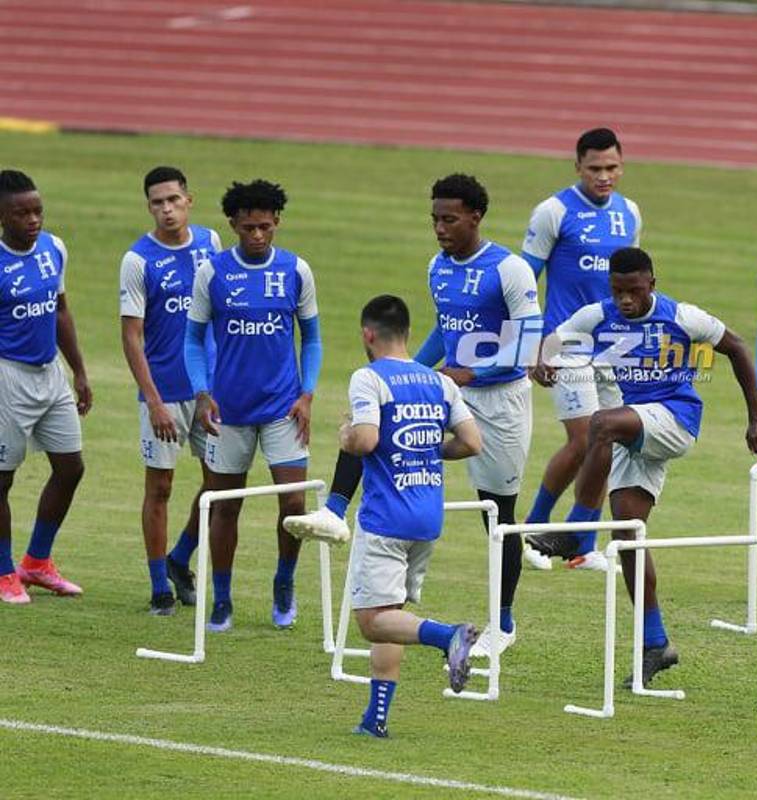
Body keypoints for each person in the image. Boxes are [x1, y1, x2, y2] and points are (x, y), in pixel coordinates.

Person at [285, 174, 540, 661]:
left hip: (502, 401)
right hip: (451, 388)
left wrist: (470, 372)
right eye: (435, 219)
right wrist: (397, 378)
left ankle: (503, 624)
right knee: (373, 426)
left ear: (475, 217)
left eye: (450, 219)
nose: (440, 228)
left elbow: (526, 348)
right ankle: (335, 513)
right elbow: (446, 331)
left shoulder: (510, 270)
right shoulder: (437, 268)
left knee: (499, 515)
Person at [550, 246, 757, 685]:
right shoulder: (598, 315)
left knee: (601, 424)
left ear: (652, 282)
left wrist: (754, 417)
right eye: (618, 292)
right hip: (638, 430)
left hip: (675, 420)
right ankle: (656, 643)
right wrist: (543, 358)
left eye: (633, 290)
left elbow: (737, 347)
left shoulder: (683, 317)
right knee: (629, 535)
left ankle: (577, 531)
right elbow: (554, 340)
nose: (625, 300)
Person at [298, 294, 481, 738]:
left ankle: (449, 635)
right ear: (407, 334)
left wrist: (345, 434)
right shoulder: (439, 383)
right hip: (427, 517)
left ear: (368, 334)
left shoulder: (369, 378)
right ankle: (374, 720)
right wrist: (425, 448)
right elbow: (473, 442)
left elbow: (363, 441)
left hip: (385, 519)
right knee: (392, 617)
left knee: (370, 621)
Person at [184, 179, 322, 632]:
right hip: (229, 412)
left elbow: (313, 338)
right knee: (225, 507)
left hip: (283, 407)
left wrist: (307, 392)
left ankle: (284, 583)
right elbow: (193, 340)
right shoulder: (212, 272)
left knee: (295, 504)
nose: (257, 236)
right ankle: (221, 598)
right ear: (233, 225)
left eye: (265, 226)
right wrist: (203, 392)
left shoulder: (296, 270)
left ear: (277, 222)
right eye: (248, 228)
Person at [520, 127, 642, 571]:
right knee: (582, 439)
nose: (604, 176)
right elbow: (523, 282)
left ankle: (580, 542)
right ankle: (532, 528)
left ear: (622, 165)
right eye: (595, 168)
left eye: (611, 167)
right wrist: (534, 346)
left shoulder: (629, 213)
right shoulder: (553, 211)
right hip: (565, 343)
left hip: (612, 346)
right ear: (578, 168)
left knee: (608, 441)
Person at [119, 166, 221, 615]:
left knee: (219, 485)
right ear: (149, 207)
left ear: (189, 200)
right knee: (160, 487)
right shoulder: (138, 260)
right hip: (164, 394)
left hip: (208, 393)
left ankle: (181, 558)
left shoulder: (210, 243)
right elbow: (131, 336)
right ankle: (160, 585)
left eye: (173, 200)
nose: (167, 209)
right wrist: (154, 400)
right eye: (158, 202)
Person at [0, 169, 91, 605]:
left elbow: (60, 311)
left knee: (71, 467)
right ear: (3, 217)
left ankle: (36, 563)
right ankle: (3, 572)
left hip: (49, 372)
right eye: (21, 213)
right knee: (1, 479)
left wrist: (79, 371)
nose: (33, 219)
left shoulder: (54, 248)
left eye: (37, 210)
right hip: (7, 376)